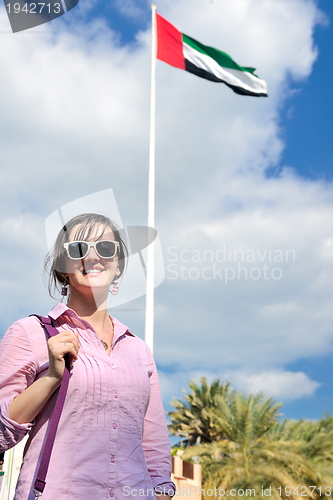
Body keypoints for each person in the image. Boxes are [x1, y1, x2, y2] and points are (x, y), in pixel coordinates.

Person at [0, 213, 175, 500]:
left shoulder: (138, 349)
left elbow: (154, 445)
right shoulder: (30, 332)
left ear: (117, 266)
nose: (93, 256)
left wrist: (162, 495)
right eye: (78, 249)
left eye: (106, 248)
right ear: (63, 266)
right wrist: (51, 379)